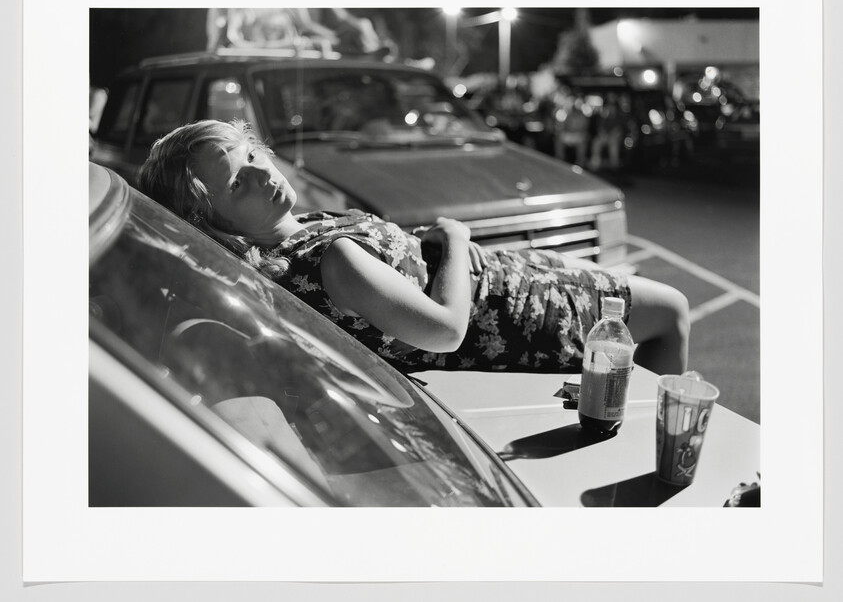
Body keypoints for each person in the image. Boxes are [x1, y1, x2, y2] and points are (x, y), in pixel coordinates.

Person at [138, 119, 690, 375]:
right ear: (213, 225)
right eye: (238, 184)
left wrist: (423, 247)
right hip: (517, 313)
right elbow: (446, 332)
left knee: (654, 305)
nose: (262, 175)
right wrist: (454, 238)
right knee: (672, 309)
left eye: (252, 156)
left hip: (510, 280)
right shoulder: (330, 258)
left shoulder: (297, 238)